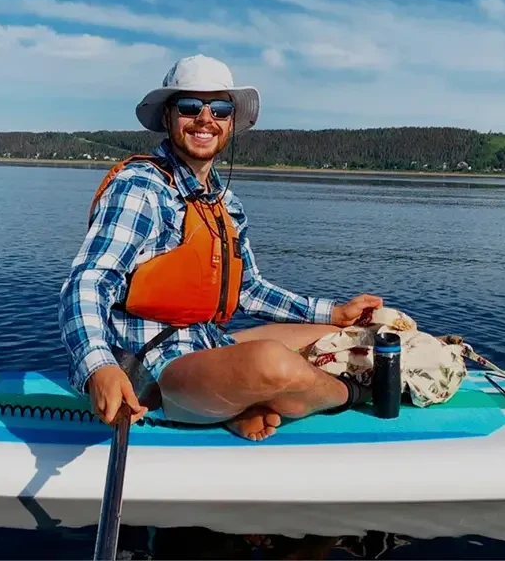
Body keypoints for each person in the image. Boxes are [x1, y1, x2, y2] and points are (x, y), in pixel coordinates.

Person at [59, 54, 383, 441]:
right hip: (154, 370)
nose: (205, 118)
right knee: (270, 362)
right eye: (190, 106)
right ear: (168, 117)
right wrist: (98, 366)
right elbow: (90, 280)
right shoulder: (141, 187)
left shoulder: (224, 202)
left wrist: (334, 311)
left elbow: (248, 289)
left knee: (328, 332)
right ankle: (353, 393)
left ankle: (237, 406)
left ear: (230, 122)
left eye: (221, 108)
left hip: (206, 344)